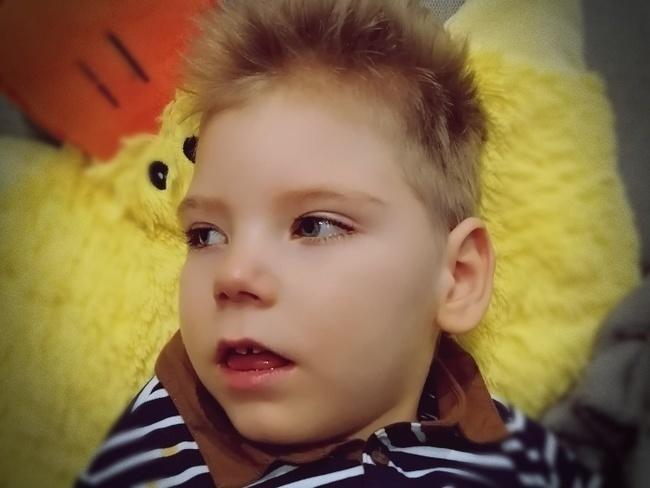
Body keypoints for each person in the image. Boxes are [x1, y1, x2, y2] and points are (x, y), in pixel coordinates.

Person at [75, 0, 600, 486]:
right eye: (205, 235)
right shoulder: (161, 449)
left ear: (458, 278)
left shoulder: (521, 453)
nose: (232, 275)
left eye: (314, 226)